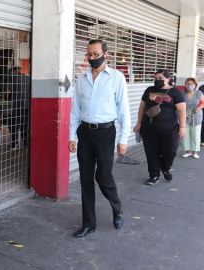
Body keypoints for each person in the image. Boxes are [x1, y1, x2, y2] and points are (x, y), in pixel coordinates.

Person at [69, 39, 130, 238]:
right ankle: (89, 223)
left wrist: (123, 139)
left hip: (106, 133)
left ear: (106, 54)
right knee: (85, 179)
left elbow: (124, 111)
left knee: (103, 176)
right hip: (85, 133)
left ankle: (117, 207)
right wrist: (72, 136)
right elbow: (75, 110)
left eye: (96, 54)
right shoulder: (82, 79)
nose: (92, 58)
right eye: (89, 55)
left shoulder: (116, 78)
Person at [134, 70, 186, 185]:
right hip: (149, 129)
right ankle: (154, 175)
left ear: (168, 79)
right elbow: (142, 107)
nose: (157, 80)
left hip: (170, 129)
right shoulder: (149, 90)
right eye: (155, 78)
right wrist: (138, 123)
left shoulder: (175, 92)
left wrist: (182, 127)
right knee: (151, 152)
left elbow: (182, 110)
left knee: (170, 151)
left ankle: (165, 168)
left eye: (160, 77)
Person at [180, 78, 204, 159]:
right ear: (185, 85)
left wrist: (199, 108)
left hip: (196, 116)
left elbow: (203, 103)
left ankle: (195, 152)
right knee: (185, 135)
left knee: (195, 135)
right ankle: (188, 151)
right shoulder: (182, 93)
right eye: (187, 84)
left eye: (191, 84)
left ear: (195, 85)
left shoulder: (199, 93)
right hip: (185, 116)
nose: (189, 85)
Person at [8, 67, 30, 149]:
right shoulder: (27, 78)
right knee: (24, 126)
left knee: (13, 125)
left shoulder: (13, 79)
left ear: (13, 71)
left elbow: (9, 93)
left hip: (17, 106)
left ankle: (14, 144)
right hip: (26, 106)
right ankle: (25, 144)